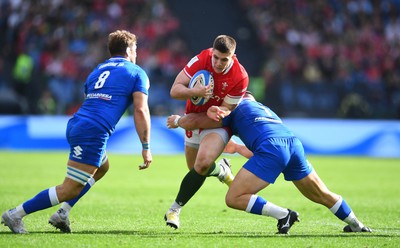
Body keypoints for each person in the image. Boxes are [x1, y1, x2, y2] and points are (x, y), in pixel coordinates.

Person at [1, 30, 152, 234]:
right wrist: (146, 147)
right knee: (69, 188)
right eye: (135, 49)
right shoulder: (136, 72)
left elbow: (89, 98)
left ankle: (62, 213)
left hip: (77, 123)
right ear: (128, 50)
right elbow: (140, 110)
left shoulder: (97, 70)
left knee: (102, 167)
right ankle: (15, 214)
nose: (137, 53)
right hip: (93, 131)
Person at [166, 91, 372, 234]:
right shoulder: (262, 108)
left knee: (234, 197)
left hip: (272, 148)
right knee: (321, 194)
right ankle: (356, 223)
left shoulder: (230, 109)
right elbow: (263, 150)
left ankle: (284, 215)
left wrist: (177, 120)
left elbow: (196, 121)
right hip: (292, 143)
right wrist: (237, 149)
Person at [164, 35, 249, 229]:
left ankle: (174, 210)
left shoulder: (240, 76)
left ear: (233, 57)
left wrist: (220, 111)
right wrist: (196, 92)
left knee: (201, 165)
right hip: (193, 120)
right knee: (194, 170)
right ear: (212, 52)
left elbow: (228, 109)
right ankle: (222, 172)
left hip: (216, 125)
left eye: (224, 59)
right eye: (216, 57)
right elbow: (175, 90)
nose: (218, 63)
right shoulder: (201, 58)